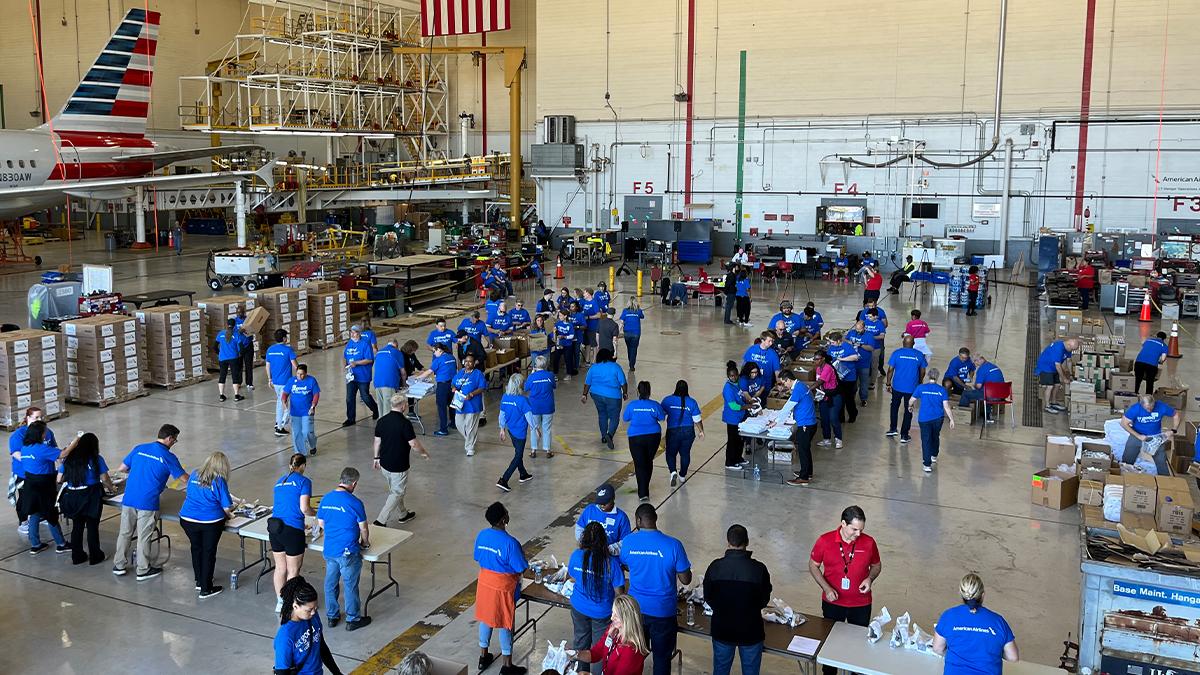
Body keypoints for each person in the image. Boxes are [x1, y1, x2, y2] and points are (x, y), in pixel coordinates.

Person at [619, 504, 692, 675]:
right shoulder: (674, 545)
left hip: (635, 611)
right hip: (663, 613)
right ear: (656, 519)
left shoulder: (629, 542)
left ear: (637, 520)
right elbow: (686, 580)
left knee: (633, 657)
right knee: (661, 659)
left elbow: (626, 565)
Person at [809, 506, 882, 675]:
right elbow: (813, 565)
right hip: (833, 602)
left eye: (861, 529)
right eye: (854, 529)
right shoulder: (825, 541)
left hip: (861, 603)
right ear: (843, 523)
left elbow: (876, 565)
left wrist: (869, 578)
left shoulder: (869, 542)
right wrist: (826, 588)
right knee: (830, 642)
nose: (858, 534)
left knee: (858, 644)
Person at [113, 424, 189, 580]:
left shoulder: (139, 448)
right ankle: (142, 569)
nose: (174, 443)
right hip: (147, 502)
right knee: (144, 536)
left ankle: (119, 565)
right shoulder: (168, 457)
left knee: (125, 533)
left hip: (129, 498)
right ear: (169, 438)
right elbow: (184, 479)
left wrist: (139, 473)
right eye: (175, 440)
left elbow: (122, 468)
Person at [704, 524, 772, 675]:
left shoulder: (715, 567)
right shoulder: (759, 569)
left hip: (722, 630)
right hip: (751, 631)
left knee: (721, 670)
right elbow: (764, 600)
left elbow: (708, 597)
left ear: (728, 542)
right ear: (747, 542)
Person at [474, 502, 529, 675]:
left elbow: (477, 556)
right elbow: (521, 567)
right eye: (506, 512)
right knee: (506, 622)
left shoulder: (482, 535)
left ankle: (483, 657)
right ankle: (507, 666)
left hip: (484, 584)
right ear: (503, 519)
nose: (508, 513)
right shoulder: (510, 543)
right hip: (503, 589)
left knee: (486, 618)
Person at [568, 521, 627, 675]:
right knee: (599, 649)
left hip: (578, 607)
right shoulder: (611, 564)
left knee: (580, 643)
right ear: (604, 540)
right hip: (602, 613)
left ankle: (581, 672)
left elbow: (573, 577)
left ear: (584, 539)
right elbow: (619, 593)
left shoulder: (576, 556)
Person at [317, 467, 372, 631]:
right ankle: (352, 619)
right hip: (348, 551)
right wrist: (365, 542)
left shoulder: (326, 499)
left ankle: (332, 617)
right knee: (350, 584)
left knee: (330, 583)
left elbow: (321, 524)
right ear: (354, 483)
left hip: (330, 550)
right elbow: (363, 528)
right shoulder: (355, 502)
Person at [933, 573, 1019, 673]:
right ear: (982, 595)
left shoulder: (948, 616)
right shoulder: (998, 621)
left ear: (961, 595)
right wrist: (995, 652)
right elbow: (1013, 657)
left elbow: (937, 648)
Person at [179, 451, 234, 599]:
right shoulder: (219, 480)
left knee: (196, 548)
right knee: (208, 552)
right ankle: (206, 588)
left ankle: (199, 580)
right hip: (210, 522)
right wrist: (229, 515)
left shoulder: (195, 474)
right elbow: (227, 507)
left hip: (187, 518)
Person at [57, 432, 114, 565]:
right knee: (92, 526)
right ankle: (95, 555)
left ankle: (77, 556)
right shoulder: (96, 459)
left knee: (77, 526)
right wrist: (112, 488)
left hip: (73, 495)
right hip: (91, 496)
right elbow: (104, 478)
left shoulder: (69, 458)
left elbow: (59, 478)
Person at [373, 393, 430, 526]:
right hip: (399, 465)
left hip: (384, 463)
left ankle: (403, 514)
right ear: (403, 406)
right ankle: (380, 521)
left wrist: (376, 458)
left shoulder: (382, 421)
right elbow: (414, 444)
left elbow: (377, 442)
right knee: (397, 493)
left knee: (395, 490)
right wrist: (424, 453)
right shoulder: (405, 423)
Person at [270, 454, 316, 614]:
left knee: (280, 568)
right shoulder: (304, 481)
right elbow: (304, 508)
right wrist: (315, 513)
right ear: (302, 466)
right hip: (292, 530)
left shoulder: (279, 481)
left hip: (276, 528)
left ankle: (280, 601)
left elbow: (284, 506)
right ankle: (290, 602)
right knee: (293, 570)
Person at [274, 576, 344, 674]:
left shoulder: (312, 617)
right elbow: (282, 672)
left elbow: (321, 646)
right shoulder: (285, 637)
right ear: (295, 606)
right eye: (309, 610)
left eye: (315, 608)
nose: (313, 612)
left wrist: (337, 673)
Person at [17, 421, 68, 555]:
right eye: (45, 431)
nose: (46, 433)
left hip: (30, 483)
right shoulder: (41, 449)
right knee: (50, 514)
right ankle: (61, 543)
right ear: (40, 434)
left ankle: (35, 544)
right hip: (44, 485)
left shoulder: (25, 448)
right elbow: (62, 454)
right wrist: (75, 442)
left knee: (34, 512)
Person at [569, 594, 650, 675]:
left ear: (627, 620)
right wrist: (575, 654)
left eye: (616, 616)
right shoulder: (613, 630)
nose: (611, 618)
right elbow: (596, 653)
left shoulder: (631, 651)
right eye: (612, 613)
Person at [9, 406, 55, 536]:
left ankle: (42, 516)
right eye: (36, 417)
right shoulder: (19, 435)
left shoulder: (47, 432)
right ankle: (23, 522)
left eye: (41, 417)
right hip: (25, 472)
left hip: (45, 472)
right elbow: (16, 453)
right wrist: (32, 463)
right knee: (25, 498)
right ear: (28, 418)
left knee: (44, 496)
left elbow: (53, 449)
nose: (39, 420)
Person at [623, 381, 665, 502]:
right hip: (653, 436)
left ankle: (643, 492)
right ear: (649, 392)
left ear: (638, 391)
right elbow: (662, 418)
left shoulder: (632, 405)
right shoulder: (655, 405)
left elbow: (625, 418)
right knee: (648, 460)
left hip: (635, 437)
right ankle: (644, 487)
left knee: (639, 463)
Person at [908, 368, 956, 473]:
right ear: (938, 377)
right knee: (935, 436)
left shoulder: (921, 388)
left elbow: (911, 400)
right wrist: (951, 420)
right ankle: (934, 455)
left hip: (924, 419)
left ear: (928, 376)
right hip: (938, 418)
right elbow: (946, 406)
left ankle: (927, 464)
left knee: (926, 440)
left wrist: (910, 406)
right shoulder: (942, 390)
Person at [1120, 394, 1179, 475]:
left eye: (1152, 407)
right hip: (1137, 435)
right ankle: (1123, 478)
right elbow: (1123, 423)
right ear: (1142, 405)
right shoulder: (1135, 408)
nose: (1150, 410)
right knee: (1127, 461)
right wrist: (1138, 436)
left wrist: (1173, 430)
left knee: (1161, 462)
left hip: (1155, 437)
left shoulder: (1161, 406)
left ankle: (1166, 483)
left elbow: (1176, 415)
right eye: (1147, 408)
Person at [496, 374, 536, 492]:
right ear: (519, 385)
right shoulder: (523, 400)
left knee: (518, 452)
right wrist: (535, 428)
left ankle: (523, 474)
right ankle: (504, 479)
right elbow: (529, 416)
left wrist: (502, 428)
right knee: (518, 455)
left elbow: (502, 414)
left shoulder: (505, 397)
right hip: (520, 432)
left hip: (510, 430)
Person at [582, 349, 628, 450]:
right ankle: (610, 435)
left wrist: (584, 395)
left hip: (596, 394)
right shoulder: (615, 367)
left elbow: (587, 383)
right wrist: (625, 393)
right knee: (614, 417)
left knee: (602, 414)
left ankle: (603, 436)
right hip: (613, 396)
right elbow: (623, 383)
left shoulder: (593, 367)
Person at [661, 380, 704, 486]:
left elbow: (661, 415)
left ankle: (673, 471)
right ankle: (682, 475)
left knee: (670, 454)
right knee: (685, 454)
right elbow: (697, 419)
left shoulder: (667, 400)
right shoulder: (692, 402)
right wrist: (701, 431)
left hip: (673, 431)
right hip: (688, 431)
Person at [779, 371, 819, 486]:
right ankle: (808, 473)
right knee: (805, 449)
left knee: (802, 450)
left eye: (783, 383)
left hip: (805, 424)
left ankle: (804, 477)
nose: (784, 385)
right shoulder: (801, 385)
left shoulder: (798, 389)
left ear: (788, 380)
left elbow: (788, 407)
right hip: (810, 422)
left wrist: (776, 421)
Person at [886, 335, 927, 443]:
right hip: (911, 388)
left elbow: (890, 369)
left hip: (897, 387)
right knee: (908, 409)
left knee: (894, 406)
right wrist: (920, 382)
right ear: (913, 344)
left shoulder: (897, 353)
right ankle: (904, 435)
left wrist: (888, 383)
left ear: (903, 343)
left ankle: (893, 429)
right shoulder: (919, 355)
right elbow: (923, 371)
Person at [414, 342, 457, 437]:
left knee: (441, 408)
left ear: (439, 350)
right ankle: (454, 423)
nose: (434, 353)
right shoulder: (452, 357)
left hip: (443, 386)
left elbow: (429, 372)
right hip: (453, 385)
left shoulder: (438, 360)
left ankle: (443, 429)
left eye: (434, 351)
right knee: (452, 405)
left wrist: (417, 378)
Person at [574, 483, 632, 551]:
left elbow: (626, 541)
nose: (602, 505)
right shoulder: (590, 510)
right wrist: (584, 543)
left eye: (605, 503)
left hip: (610, 556)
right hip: (589, 551)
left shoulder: (621, 517)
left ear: (613, 498)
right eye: (600, 502)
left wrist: (610, 550)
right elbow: (579, 527)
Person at [343, 325, 380, 426]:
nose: (352, 334)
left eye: (354, 332)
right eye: (351, 332)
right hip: (351, 375)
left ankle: (376, 409)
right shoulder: (349, 343)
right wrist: (345, 365)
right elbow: (345, 356)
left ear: (359, 333)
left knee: (365, 396)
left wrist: (356, 363)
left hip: (363, 375)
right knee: (349, 398)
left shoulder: (365, 344)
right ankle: (350, 419)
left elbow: (369, 359)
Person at [265, 329, 299, 436]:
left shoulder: (270, 350)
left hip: (275, 382)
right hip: (285, 382)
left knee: (280, 401)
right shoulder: (288, 350)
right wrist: (301, 375)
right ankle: (280, 427)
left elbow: (267, 366)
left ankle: (277, 422)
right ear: (284, 338)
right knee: (282, 403)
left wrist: (269, 379)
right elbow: (295, 365)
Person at [453, 353, 488, 457]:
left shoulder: (478, 374)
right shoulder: (460, 373)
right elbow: (453, 383)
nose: (467, 363)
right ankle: (470, 439)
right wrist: (453, 388)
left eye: (470, 361)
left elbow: (482, 387)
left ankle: (470, 448)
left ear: (474, 363)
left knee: (470, 426)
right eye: (466, 361)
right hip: (460, 404)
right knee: (458, 423)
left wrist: (472, 394)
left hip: (473, 405)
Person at [283, 364, 321, 456]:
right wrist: (284, 402)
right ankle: (300, 453)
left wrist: (313, 406)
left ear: (306, 373)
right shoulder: (291, 381)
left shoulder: (311, 381)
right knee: (296, 433)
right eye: (298, 374)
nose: (299, 376)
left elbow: (316, 394)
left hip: (307, 411)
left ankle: (312, 445)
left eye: (302, 374)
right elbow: (285, 394)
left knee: (307, 432)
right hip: (295, 412)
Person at [1035, 337, 1078, 414]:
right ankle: (1047, 406)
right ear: (1069, 345)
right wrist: (1064, 378)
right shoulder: (1058, 348)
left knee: (1057, 385)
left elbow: (1069, 361)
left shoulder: (1068, 349)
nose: (1072, 351)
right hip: (1046, 367)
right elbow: (1058, 365)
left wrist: (1071, 374)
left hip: (1053, 367)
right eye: (1072, 349)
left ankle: (1053, 402)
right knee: (1050, 386)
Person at [525, 356, 556, 458]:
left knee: (534, 428)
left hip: (535, 406)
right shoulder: (550, 375)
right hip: (548, 406)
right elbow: (554, 386)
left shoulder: (532, 377)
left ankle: (533, 450)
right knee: (546, 428)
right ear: (546, 365)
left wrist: (532, 374)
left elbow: (526, 388)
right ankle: (548, 450)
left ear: (535, 365)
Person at [826, 331, 860, 425]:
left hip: (849, 377)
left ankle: (853, 414)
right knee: (839, 398)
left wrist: (841, 359)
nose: (831, 344)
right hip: (838, 377)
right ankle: (840, 417)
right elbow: (828, 357)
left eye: (833, 342)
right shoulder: (831, 347)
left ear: (839, 341)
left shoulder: (847, 346)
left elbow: (855, 357)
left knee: (849, 398)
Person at [812, 351, 842, 448]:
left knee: (833, 418)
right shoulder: (818, 368)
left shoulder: (827, 368)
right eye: (814, 359)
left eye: (817, 359)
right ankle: (826, 439)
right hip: (823, 395)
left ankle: (838, 439)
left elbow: (820, 382)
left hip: (833, 396)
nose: (815, 361)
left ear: (823, 359)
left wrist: (807, 389)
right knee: (824, 419)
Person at [722, 361, 748, 470]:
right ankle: (730, 462)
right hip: (732, 418)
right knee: (733, 440)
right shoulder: (728, 388)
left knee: (740, 439)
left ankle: (738, 457)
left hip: (740, 417)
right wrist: (748, 407)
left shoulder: (738, 384)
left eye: (735, 375)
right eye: (731, 376)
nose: (733, 377)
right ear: (728, 376)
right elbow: (733, 406)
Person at [845, 320, 875, 406]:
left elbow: (871, 348)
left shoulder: (869, 336)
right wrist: (850, 343)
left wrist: (860, 345)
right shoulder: (851, 333)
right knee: (852, 382)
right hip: (852, 363)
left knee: (864, 383)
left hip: (864, 364)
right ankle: (851, 398)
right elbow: (845, 340)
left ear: (864, 328)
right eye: (856, 329)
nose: (857, 331)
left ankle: (863, 399)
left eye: (859, 329)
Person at [215, 317, 245, 402]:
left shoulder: (221, 334)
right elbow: (242, 348)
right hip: (233, 358)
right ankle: (236, 395)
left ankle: (221, 395)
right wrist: (239, 355)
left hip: (222, 358)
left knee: (222, 376)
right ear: (234, 325)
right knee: (235, 376)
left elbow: (214, 346)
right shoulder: (236, 335)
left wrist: (220, 353)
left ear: (226, 324)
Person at [373, 339, 404, 410]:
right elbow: (403, 372)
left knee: (381, 407)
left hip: (377, 383)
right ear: (396, 345)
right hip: (389, 383)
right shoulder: (397, 352)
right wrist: (404, 384)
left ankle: (381, 421)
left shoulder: (379, 352)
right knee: (388, 409)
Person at [552, 308, 580, 380]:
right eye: (559, 315)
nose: (560, 317)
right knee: (556, 359)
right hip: (559, 344)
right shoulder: (558, 323)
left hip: (567, 345)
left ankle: (569, 374)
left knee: (568, 359)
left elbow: (572, 336)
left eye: (561, 316)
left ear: (565, 316)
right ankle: (555, 374)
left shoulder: (570, 325)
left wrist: (564, 336)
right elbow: (555, 332)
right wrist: (554, 332)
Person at [618, 297, 645, 371]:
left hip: (627, 333)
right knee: (634, 349)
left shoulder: (625, 311)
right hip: (636, 333)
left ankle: (630, 361)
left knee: (629, 348)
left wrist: (617, 332)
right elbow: (642, 316)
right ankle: (632, 364)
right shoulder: (638, 311)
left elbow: (621, 322)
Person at [234, 306, 257, 390]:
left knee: (248, 365)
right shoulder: (234, 321)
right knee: (239, 365)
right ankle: (239, 382)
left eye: (241, 312)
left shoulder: (248, 320)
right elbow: (231, 333)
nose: (240, 314)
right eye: (238, 312)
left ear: (244, 312)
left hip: (248, 345)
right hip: (239, 346)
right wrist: (238, 331)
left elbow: (254, 328)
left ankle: (249, 383)